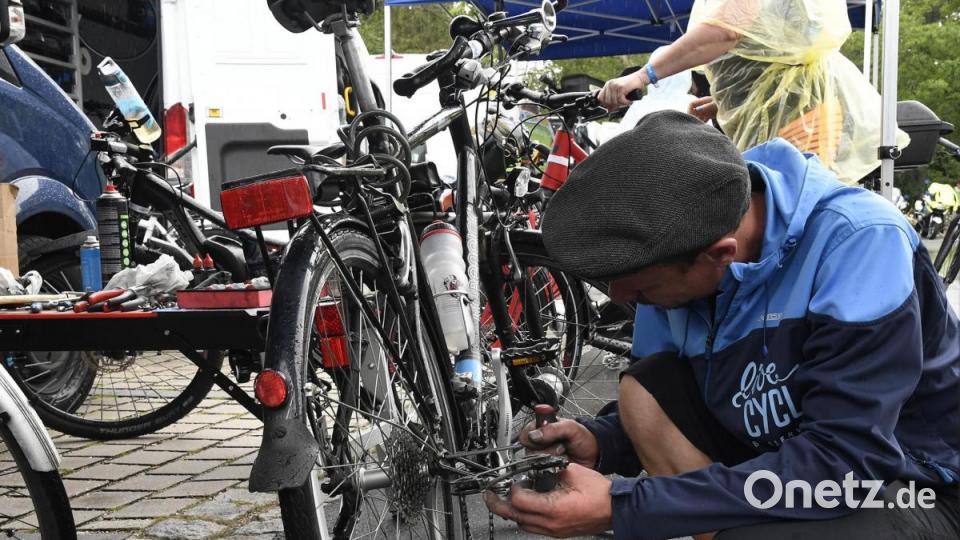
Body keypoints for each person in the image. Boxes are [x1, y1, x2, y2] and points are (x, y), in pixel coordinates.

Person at [484, 111, 960, 539]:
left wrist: (622, 505)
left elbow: (847, 463)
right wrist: (604, 442)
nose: (624, 299)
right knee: (642, 390)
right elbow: (679, 394)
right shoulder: (684, 229)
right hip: (788, 452)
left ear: (720, 255)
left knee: (746, 536)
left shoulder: (860, 243)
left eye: (640, 289)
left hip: (911, 483)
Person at [596, 0, 907, 185]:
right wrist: (725, 102)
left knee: (784, 222)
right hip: (794, 104)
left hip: (797, 111)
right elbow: (768, 45)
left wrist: (642, 75)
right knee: (784, 218)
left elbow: (724, 31)